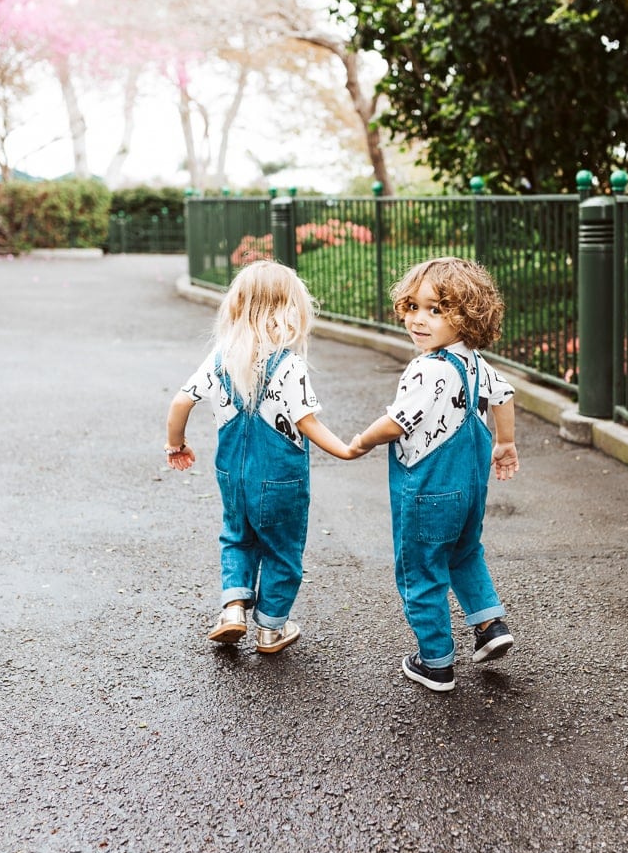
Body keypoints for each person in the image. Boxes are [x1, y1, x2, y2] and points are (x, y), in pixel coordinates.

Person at [349, 256, 519, 692]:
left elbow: (397, 421)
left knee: (420, 570)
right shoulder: (477, 364)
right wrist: (505, 443)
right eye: (412, 307)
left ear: (469, 316)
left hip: (427, 491)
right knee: (464, 553)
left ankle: (435, 661)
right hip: (469, 491)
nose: (417, 320)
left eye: (435, 310)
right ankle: (489, 625)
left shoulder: (428, 368)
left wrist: (362, 441)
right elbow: (503, 396)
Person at [164, 260, 353, 653]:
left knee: (237, 537)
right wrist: (347, 450)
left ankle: (233, 609)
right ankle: (271, 628)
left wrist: (176, 445)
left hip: (231, 473)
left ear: (236, 307)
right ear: (290, 311)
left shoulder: (221, 358)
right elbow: (308, 424)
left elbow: (182, 401)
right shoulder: (289, 365)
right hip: (281, 478)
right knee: (282, 550)